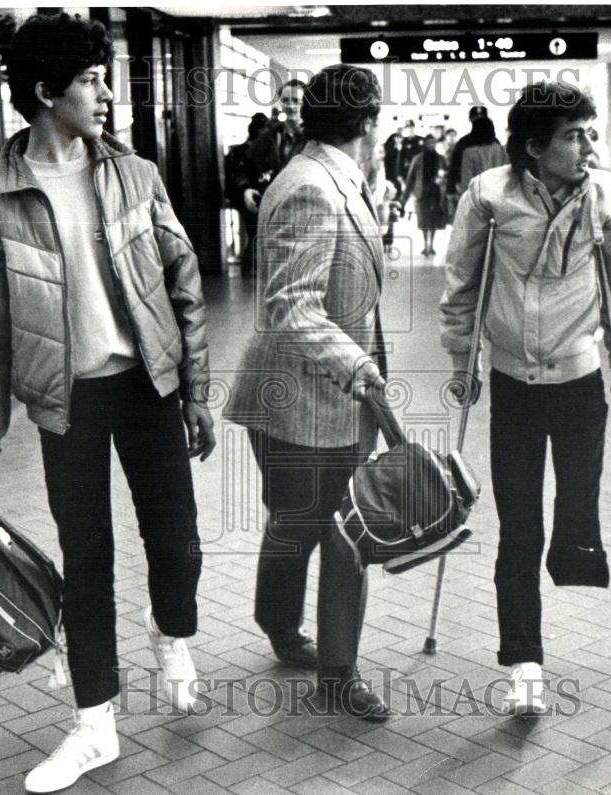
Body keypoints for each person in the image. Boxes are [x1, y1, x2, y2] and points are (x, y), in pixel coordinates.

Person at [0, 13, 216, 791]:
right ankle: (94, 724)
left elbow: (185, 282)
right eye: (90, 79)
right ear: (43, 93)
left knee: (180, 546)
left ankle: (171, 629)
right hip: (66, 401)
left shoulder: (136, 173)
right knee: (87, 561)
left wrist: (196, 391)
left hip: (146, 385)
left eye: (104, 76)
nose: (105, 92)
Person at [439, 81, 611, 716]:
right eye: (575, 135)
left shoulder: (609, 197)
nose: (591, 146)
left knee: (577, 508)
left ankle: (577, 554)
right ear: (535, 147)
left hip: (581, 382)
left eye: (593, 131)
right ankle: (524, 660)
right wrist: (463, 362)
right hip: (513, 387)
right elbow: (461, 287)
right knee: (518, 526)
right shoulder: (490, 196)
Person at [223, 63, 391, 722]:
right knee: (342, 531)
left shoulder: (330, 177)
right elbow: (294, 303)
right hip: (307, 394)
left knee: (301, 521)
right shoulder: (313, 188)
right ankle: (336, 671)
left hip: (320, 394)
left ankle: (282, 624)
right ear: (369, 122)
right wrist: (356, 366)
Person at [244, 78, 307, 207]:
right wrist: (247, 188)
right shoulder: (269, 134)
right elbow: (248, 164)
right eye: (285, 100)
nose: (290, 106)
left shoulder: (315, 138)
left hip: (303, 202)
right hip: (271, 202)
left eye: (296, 101)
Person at [224, 112, 270, 276]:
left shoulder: (238, 150)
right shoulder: (255, 150)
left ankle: (249, 268)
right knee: (257, 233)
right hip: (255, 195)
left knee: (254, 233)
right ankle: (252, 268)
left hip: (243, 196)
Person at [402, 133, 448, 256]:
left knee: (434, 220)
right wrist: (405, 197)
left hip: (436, 193)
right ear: (425, 144)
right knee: (423, 220)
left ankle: (431, 245)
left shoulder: (441, 159)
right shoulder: (418, 159)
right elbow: (410, 178)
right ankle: (425, 245)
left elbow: (447, 174)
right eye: (429, 142)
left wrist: (443, 181)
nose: (431, 145)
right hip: (421, 193)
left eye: (433, 142)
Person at [457, 115, 508, 195]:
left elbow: (467, 182)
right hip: (500, 196)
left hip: (479, 198)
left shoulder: (469, 153)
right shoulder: (503, 150)